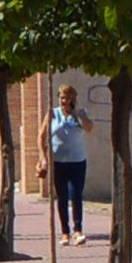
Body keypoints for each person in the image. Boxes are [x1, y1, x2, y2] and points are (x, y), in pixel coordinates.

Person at [36, 83, 95, 246]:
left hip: (77, 161)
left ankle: (78, 230)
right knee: (61, 197)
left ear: (73, 99)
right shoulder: (52, 114)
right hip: (58, 162)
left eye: (68, 98)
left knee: (76, 195)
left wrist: (79, 115)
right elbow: (41, 137)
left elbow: (90, 128)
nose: (65, 101)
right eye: (62, 98)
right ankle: (64, 232)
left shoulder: (80, 113)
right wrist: (43, 158)